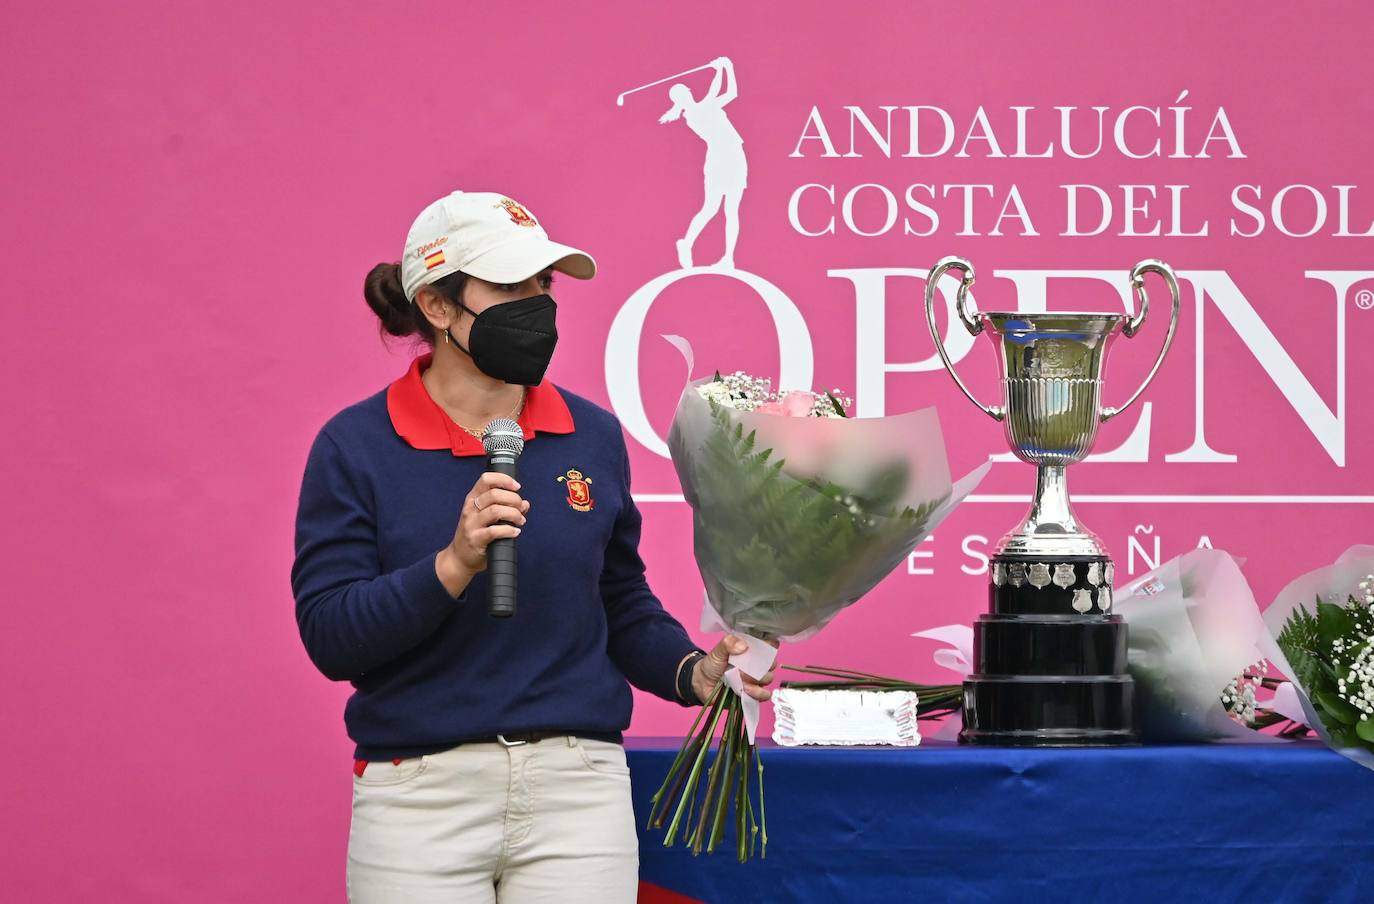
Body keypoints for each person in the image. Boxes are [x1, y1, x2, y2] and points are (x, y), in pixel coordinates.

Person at [291, 189, 773, 903]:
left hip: (577, 792)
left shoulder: (592, 435)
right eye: (510, 286)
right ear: (437, 305)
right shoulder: (355, 446)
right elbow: (332, 637)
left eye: (543, 285)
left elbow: (618, 601)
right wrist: (452, 566)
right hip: (420, 796)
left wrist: (691, 672)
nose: (538, 306)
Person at [658, 56, 747, 269]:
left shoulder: (705, 107)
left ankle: (728, 258)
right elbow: (714, 93)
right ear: (679, 100)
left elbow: (732, 93)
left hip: (735, 156)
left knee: (732, 210)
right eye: (683, 94)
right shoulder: (694, 113)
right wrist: (723, 68)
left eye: (687, 92)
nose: (688, 95)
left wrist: (727, 68)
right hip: (719, 160)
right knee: (711, 209)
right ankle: (686, 243)